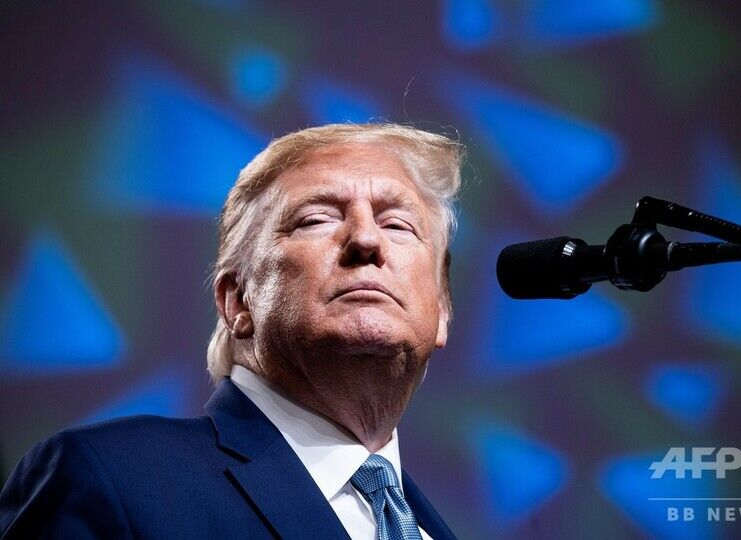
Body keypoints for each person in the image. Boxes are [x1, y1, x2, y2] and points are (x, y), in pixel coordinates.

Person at [0, 123, 463, 539]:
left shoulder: (428, 527)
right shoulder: (110, 479)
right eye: (316, 219)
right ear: (238, 300)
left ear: (442, 311)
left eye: (398, 224)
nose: (366, 239)